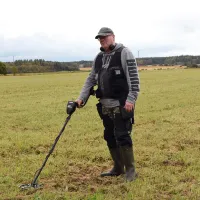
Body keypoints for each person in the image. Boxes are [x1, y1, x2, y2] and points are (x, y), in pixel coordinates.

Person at [76, 27, 140, 182]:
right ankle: (118, 168)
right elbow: (91, 79)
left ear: (113, 37)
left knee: (122, 136)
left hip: (121, 104)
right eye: (100, 38)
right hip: (104, 106)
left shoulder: (125, 53)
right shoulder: (99, 57)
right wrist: (81, 98)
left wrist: (131, 99)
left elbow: (134, 78)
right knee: (109, 136)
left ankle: (130, 171)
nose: (102, 40)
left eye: (105, 37)